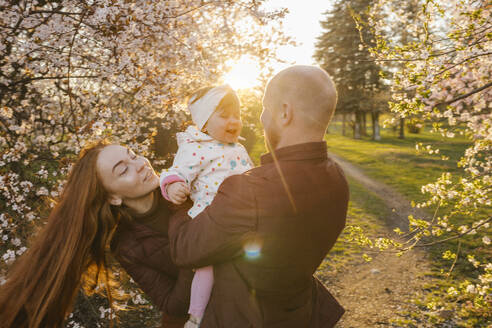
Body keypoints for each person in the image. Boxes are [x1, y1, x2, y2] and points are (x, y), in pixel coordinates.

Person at [168, 65, 349, 327]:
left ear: (285, 112)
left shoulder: (250, 190)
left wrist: (179, 198)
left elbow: (185, 249)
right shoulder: (337, 179)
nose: (261, 120)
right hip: (298, 315)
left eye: (265, 109)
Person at [0, 141, 193, 328]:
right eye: (123, 170)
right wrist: (194, 256)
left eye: (133, 155)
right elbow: (172, 304)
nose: (141, 164)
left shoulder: (189, 181)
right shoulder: (127, 246)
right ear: (113, 197)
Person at [160, 84, 254, 326]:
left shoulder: (239, 147)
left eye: (237, 115)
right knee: (206, 264)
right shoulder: (194, 148)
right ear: (203, 122)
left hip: (242, 212)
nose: (233, 120)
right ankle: (196, 315)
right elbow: (175, 171)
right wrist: (173, 186)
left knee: (248, 257)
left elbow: (250, 174)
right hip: (210, 216)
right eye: (224, 115)